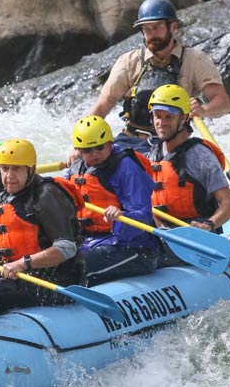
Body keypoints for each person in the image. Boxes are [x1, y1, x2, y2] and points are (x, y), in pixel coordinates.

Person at [87, 0, 230, 154]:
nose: (151, 34)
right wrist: (83, 144)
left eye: (156, 27)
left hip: (173, 145)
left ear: (173, 27)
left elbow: (223, 103)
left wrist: (203, 110)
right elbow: (102, 105)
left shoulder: (195, 60)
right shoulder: (129, 61)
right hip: (131, 141)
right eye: (146, 29)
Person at [0, 139, 85, 309]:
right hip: (25, 274)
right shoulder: (4, 196)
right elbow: (1, 237)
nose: (9, 175)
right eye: (4, 169)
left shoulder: (46, 195)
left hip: (59, 279)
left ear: (30, 169)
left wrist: (22, 264)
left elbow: (66, 247)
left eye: (16, 169)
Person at [65, 116, 159, 286]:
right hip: (90, 242)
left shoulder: (126, 167)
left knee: (75, 267)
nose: (94, 154)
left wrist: (122, 215)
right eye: (87, 150)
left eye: (100, 148)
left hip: (133, 248)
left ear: (109, 143)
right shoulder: (76, 168)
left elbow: (143, 215)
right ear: (78, 150)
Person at [147, 84, 230, 238]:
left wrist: (209, 224)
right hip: (164, 233)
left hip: (195, 236)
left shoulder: (201, 156)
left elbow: (228, 204)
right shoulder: (153, 154)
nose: (161, 122)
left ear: (183, 118)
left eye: (168, 117)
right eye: (158, 116)